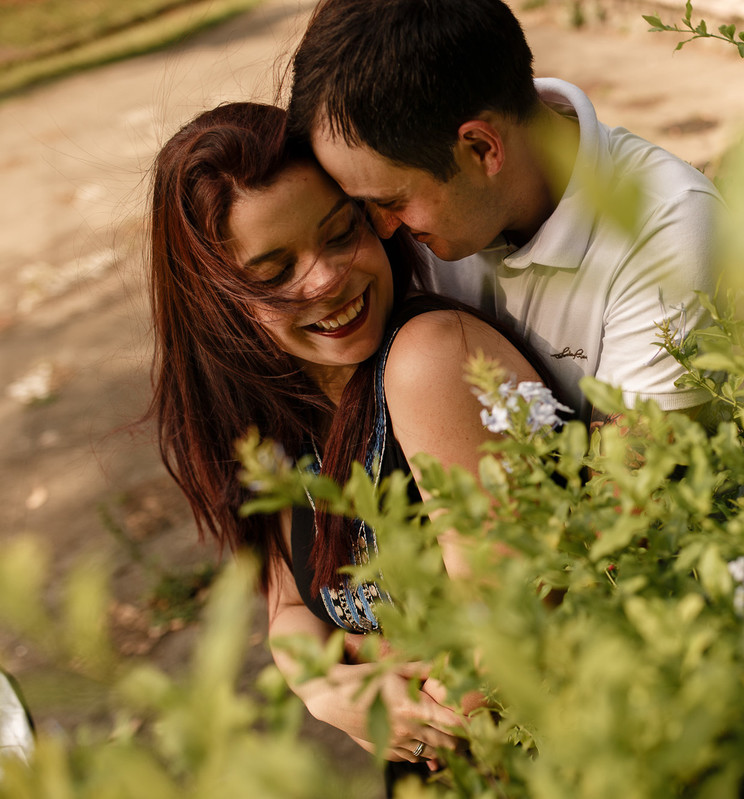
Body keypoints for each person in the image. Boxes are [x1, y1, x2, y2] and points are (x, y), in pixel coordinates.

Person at [147, 101, 564, 781]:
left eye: (341, 234)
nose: (325, 278)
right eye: (275, 272)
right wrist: (325, 687)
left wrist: (381, 684)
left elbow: (508, 618)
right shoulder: (284, 410)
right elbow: (288, 602)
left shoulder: (425, 362)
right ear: (217, 303)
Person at [286, 0, 722, 426]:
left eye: (391, 201)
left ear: (481, 148)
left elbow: (628, 491)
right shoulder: (436, 193)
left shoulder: (668, 227)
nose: (381, 229)